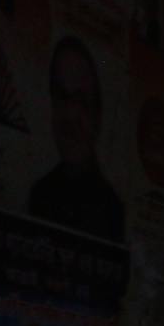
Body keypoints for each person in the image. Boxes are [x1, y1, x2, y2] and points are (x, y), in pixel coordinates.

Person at [28, 37, 125, 242]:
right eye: (62, 96)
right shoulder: (40, 196)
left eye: (81, 100)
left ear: (97, 115)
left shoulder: (112, 209)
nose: (70, 114)